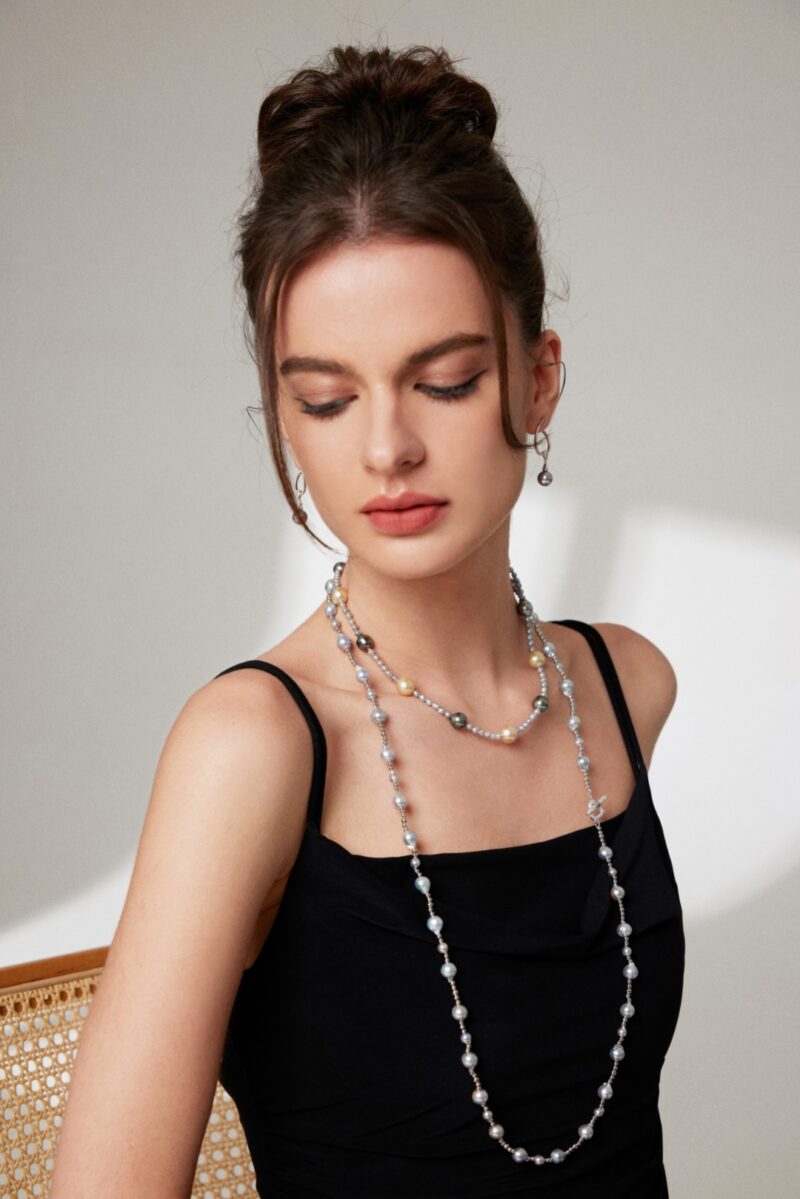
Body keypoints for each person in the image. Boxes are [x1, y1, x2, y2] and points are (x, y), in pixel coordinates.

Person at [51, 42, 685, 1199]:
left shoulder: (624, 685)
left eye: (444, 380)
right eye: (326, 398)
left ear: (537, 378)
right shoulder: (252, 744)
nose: (384, 447)